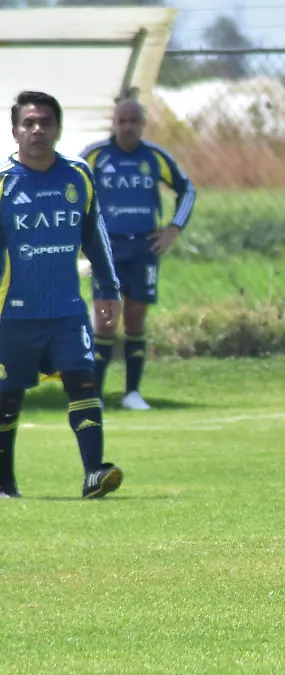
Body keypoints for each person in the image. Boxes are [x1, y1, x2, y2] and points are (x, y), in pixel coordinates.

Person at [0, 90, 124, 499]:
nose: (37, 129)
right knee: (7, 395)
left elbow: (94, 234)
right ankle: (4, 484)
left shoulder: (77, 175)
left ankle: (93, 475)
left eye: (45, 122)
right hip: (12, 313)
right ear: (15, 131)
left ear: (58, 129)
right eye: (29, 123)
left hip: (66, 310)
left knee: (83, 381)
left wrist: (109, 287)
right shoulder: (4, 182)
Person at [80, 98, 197, 411]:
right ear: (114, 123)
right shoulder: (95, 155)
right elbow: (69, 189)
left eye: (134, 121)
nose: (128, 127)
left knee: (135, 315)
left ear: (143, 124)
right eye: (122, 121)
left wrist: (173, 229)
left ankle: (132, 393)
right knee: (106, 317)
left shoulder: (154, 157)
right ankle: (94, 393)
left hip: (144, 247)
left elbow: (187, 189)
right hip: (107, 247)